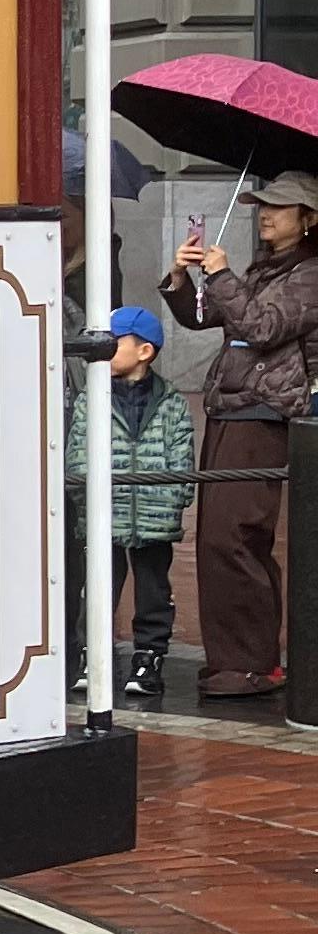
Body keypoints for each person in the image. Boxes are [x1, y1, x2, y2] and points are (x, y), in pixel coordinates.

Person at [164, 167, 318, 701]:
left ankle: (251, 663)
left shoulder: (310, 274)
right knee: (214, 540)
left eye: (279, 207)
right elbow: (204, 318)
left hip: (265, 415)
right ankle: (232, 660)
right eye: (263, 205)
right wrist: (183, 280)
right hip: (231, 410)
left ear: (309, 219)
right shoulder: (265, 269)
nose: (265, 214)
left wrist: (224, 276)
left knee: (236, 539)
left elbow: (262, 328)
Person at [65, 305, 196, 701]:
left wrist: (170, 503)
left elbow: (182, 458)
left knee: (154, 592)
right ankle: (92, 654)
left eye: (113, 342)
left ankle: (149, 657)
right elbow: (78, 452)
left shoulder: (171, 402)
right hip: (106, 515)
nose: (102, 350)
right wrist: (88, 499)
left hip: (154, 519)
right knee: (99, 588)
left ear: (144, 351)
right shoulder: (92, 396)